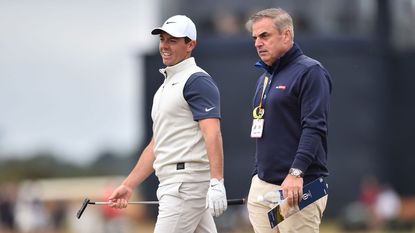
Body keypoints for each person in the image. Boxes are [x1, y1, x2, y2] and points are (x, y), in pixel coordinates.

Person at [108, 15, 227, 233]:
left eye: (172, 40)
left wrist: (217, 181)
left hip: (185, 186)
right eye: (162, 39)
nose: (164, 45)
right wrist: (128, 185)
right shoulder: (165, 87)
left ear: (190, 45)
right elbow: (157, 144)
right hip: (175, 184)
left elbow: (212, 133)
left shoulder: (196, 80)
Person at [245, 8, 332, 233]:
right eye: (255, 38)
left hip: (298, 189)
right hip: (263, 189)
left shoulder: (310, 71)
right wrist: (258, 175)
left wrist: (296, 173)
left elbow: (314, 127)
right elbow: (263, 130)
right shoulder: (265, 77)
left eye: (265, 36)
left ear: (286, 35)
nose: (258, 43)